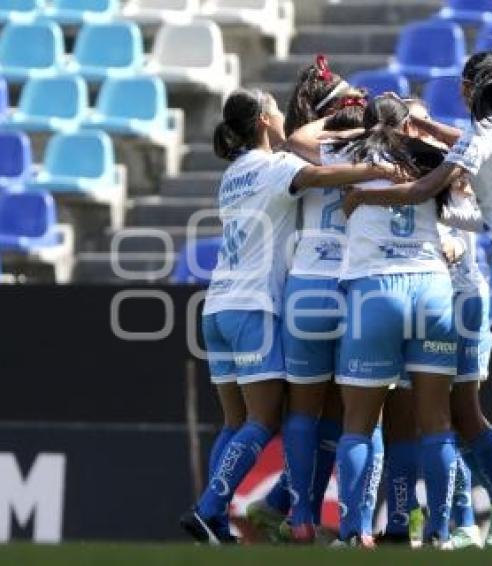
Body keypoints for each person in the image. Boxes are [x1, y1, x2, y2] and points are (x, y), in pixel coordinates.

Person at [342, 48, 492, 543]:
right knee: (448, 416)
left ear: (472, 90)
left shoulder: (457, 153)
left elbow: (434, 182)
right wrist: (429, 135)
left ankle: (483, 516)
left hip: (463, 286)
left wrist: (365, 193)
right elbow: (463, 156)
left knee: (459, 412)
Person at [179, 88, 396, 544]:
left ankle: (215, 516)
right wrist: (379, 166)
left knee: (236, 424)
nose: (281, 115)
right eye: (275, 108)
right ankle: (208, 508)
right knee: (262, 420)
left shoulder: (232, 173)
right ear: (262, 119)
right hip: (253, 305)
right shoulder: (277, 167)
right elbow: (323, 174)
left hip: (216, 304)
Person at [401, 98, 492, 549]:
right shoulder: (398, 172)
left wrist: (453, 243)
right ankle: (468, 520)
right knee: (442, 420)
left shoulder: (454, 171)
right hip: (423, 303)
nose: (414, 134)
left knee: (462, 414)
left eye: (420, 125)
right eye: (408, 125)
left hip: (461, 299)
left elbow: (474, 224)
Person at [333, 95, 459, 548]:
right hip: (432, 286)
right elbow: (475, 152)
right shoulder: (435, 157)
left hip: (375, 290)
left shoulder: (347, 154)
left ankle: (353, 532)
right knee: (437, 421)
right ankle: (442, 534)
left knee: (359, 424)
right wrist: (426, 123)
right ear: (409, 125)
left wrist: (350, 125)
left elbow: (298, 140)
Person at [246, 55, 363, 540]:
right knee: (347, 414)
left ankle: (299, 516)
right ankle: (353, 524)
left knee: (304, 411)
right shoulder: (372, 144)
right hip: (356, 286)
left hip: (308, 282)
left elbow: (296, 139)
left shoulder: (296, 156)